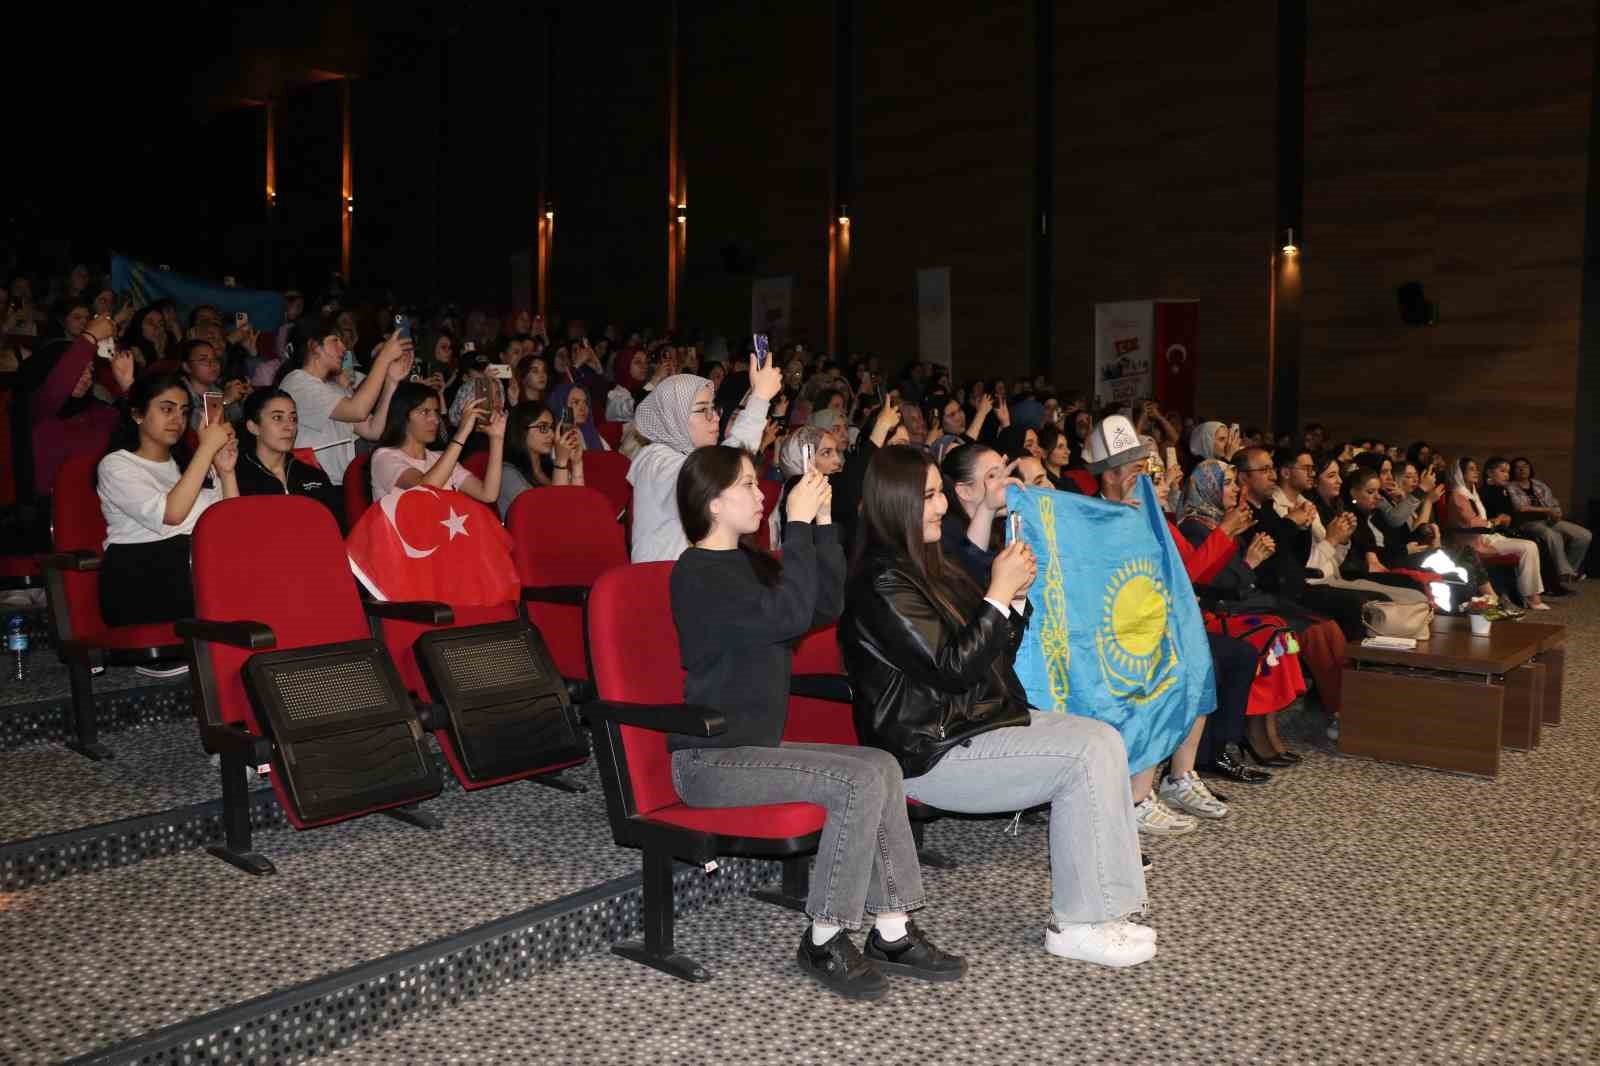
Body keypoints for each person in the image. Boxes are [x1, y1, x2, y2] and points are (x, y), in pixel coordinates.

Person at [841, 445, 1156, 967]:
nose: (942, 506)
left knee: (1101, 738)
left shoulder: (928, 565)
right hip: (926, 752)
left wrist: (1010, 601)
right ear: (894, 503)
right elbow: (950, 669)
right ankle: (1080, 923)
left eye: (940, 492)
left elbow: (989, 658)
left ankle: (1100, 913)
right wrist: (995, 596)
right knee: (1086, 753)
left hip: (968, 724)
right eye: (928, 496)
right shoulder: (882, 582)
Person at [670, 445, 961, 999]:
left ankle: (892, 931)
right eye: (749, 486)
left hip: (755, 749)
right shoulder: (695, 574)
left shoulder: (748, 566)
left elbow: (822, 606)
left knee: (881, 764)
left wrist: (822, 526)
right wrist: (796, 525)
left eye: (761, 485)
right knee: (855, 780)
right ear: (711, 502)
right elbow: (786, 614)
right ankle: (824, 939)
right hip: (710, 762)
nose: (763, 496)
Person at [96, 373, 239, 627]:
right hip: (142, 578)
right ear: (137, 414)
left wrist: (227, 471)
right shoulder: (117, 465)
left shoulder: (189, 465)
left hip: (193, 568)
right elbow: (172, 514)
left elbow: (231, 523)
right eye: (166, 410)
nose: (178, 420)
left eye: (184, 412)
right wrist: (205, 449)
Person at [628, 361, 779, 563]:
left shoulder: (684, 456)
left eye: (713, 408)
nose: (715, 417)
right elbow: (721, 472)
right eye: (702, 410)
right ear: (674, 416)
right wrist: (759, 399)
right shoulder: (655, 460)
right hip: (662, 583)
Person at [281, 317, 412, 487]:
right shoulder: (297, 382)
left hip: (339, 484)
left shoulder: (334, 389)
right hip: (310, 485)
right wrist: (383, 358)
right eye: (335, 340)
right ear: (314, 346)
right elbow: (358, 410)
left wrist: (391, 382)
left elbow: (374, 430)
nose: (343, 348)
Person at [369, 381, 505, 503]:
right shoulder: (384, 457)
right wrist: (462, 433)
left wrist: (497, 438)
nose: (434, 419)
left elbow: (488, 494)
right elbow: (425, 488)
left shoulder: (440, 458)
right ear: (403, 416)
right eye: (425, 412)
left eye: (436, 412)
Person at [1446, 457, 1546, 609]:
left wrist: (1495, 521)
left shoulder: (1471, 493)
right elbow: (1472, 523)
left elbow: (1480, 520)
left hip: (1485, 536)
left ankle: (1529, 596)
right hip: (1472, 543)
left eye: (1476, 468)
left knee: (1531, 545)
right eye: (1471, 469)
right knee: (1528, 546)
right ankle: (1532, 598)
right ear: (1461, 473)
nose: (1476, 472)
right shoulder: (1458, 495)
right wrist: (1496, 521)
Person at [233, 388, 338, 514]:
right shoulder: (237, 476)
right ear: (253, 427)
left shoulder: (312, 474)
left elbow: (335, 524)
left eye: (293, 419)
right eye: (277, 418)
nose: (290, 427)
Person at [1506, 457, 1590, 586]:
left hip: (1549, 520)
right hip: (1528, 523)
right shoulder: (1511, 486)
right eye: (1518, 467)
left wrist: (1556, 512)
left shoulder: (1539, 484)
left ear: (1530, 468)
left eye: (1526, 466)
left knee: (1584, 535)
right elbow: (1520, 507)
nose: (1523, 469)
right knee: (1552, 535)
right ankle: (1563, 572)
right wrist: (1548, 510)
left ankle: (1569, 572)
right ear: (1513, 470)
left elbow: (1553, 503)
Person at [497, 402, 585, 519]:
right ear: (521, 430)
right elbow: (552, 517)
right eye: (543, 427)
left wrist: (577, 463)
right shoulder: (507, 473)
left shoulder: (551, 469)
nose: (552, 434)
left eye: (552, 428)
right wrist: (560, 463)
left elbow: (579, 504)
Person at [550, 382, 611, 451]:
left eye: (585, 402)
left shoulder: (591, 432)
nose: (583, 408)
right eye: (575, 402)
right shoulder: (551, 437)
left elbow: (609, 457)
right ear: (561, 406)